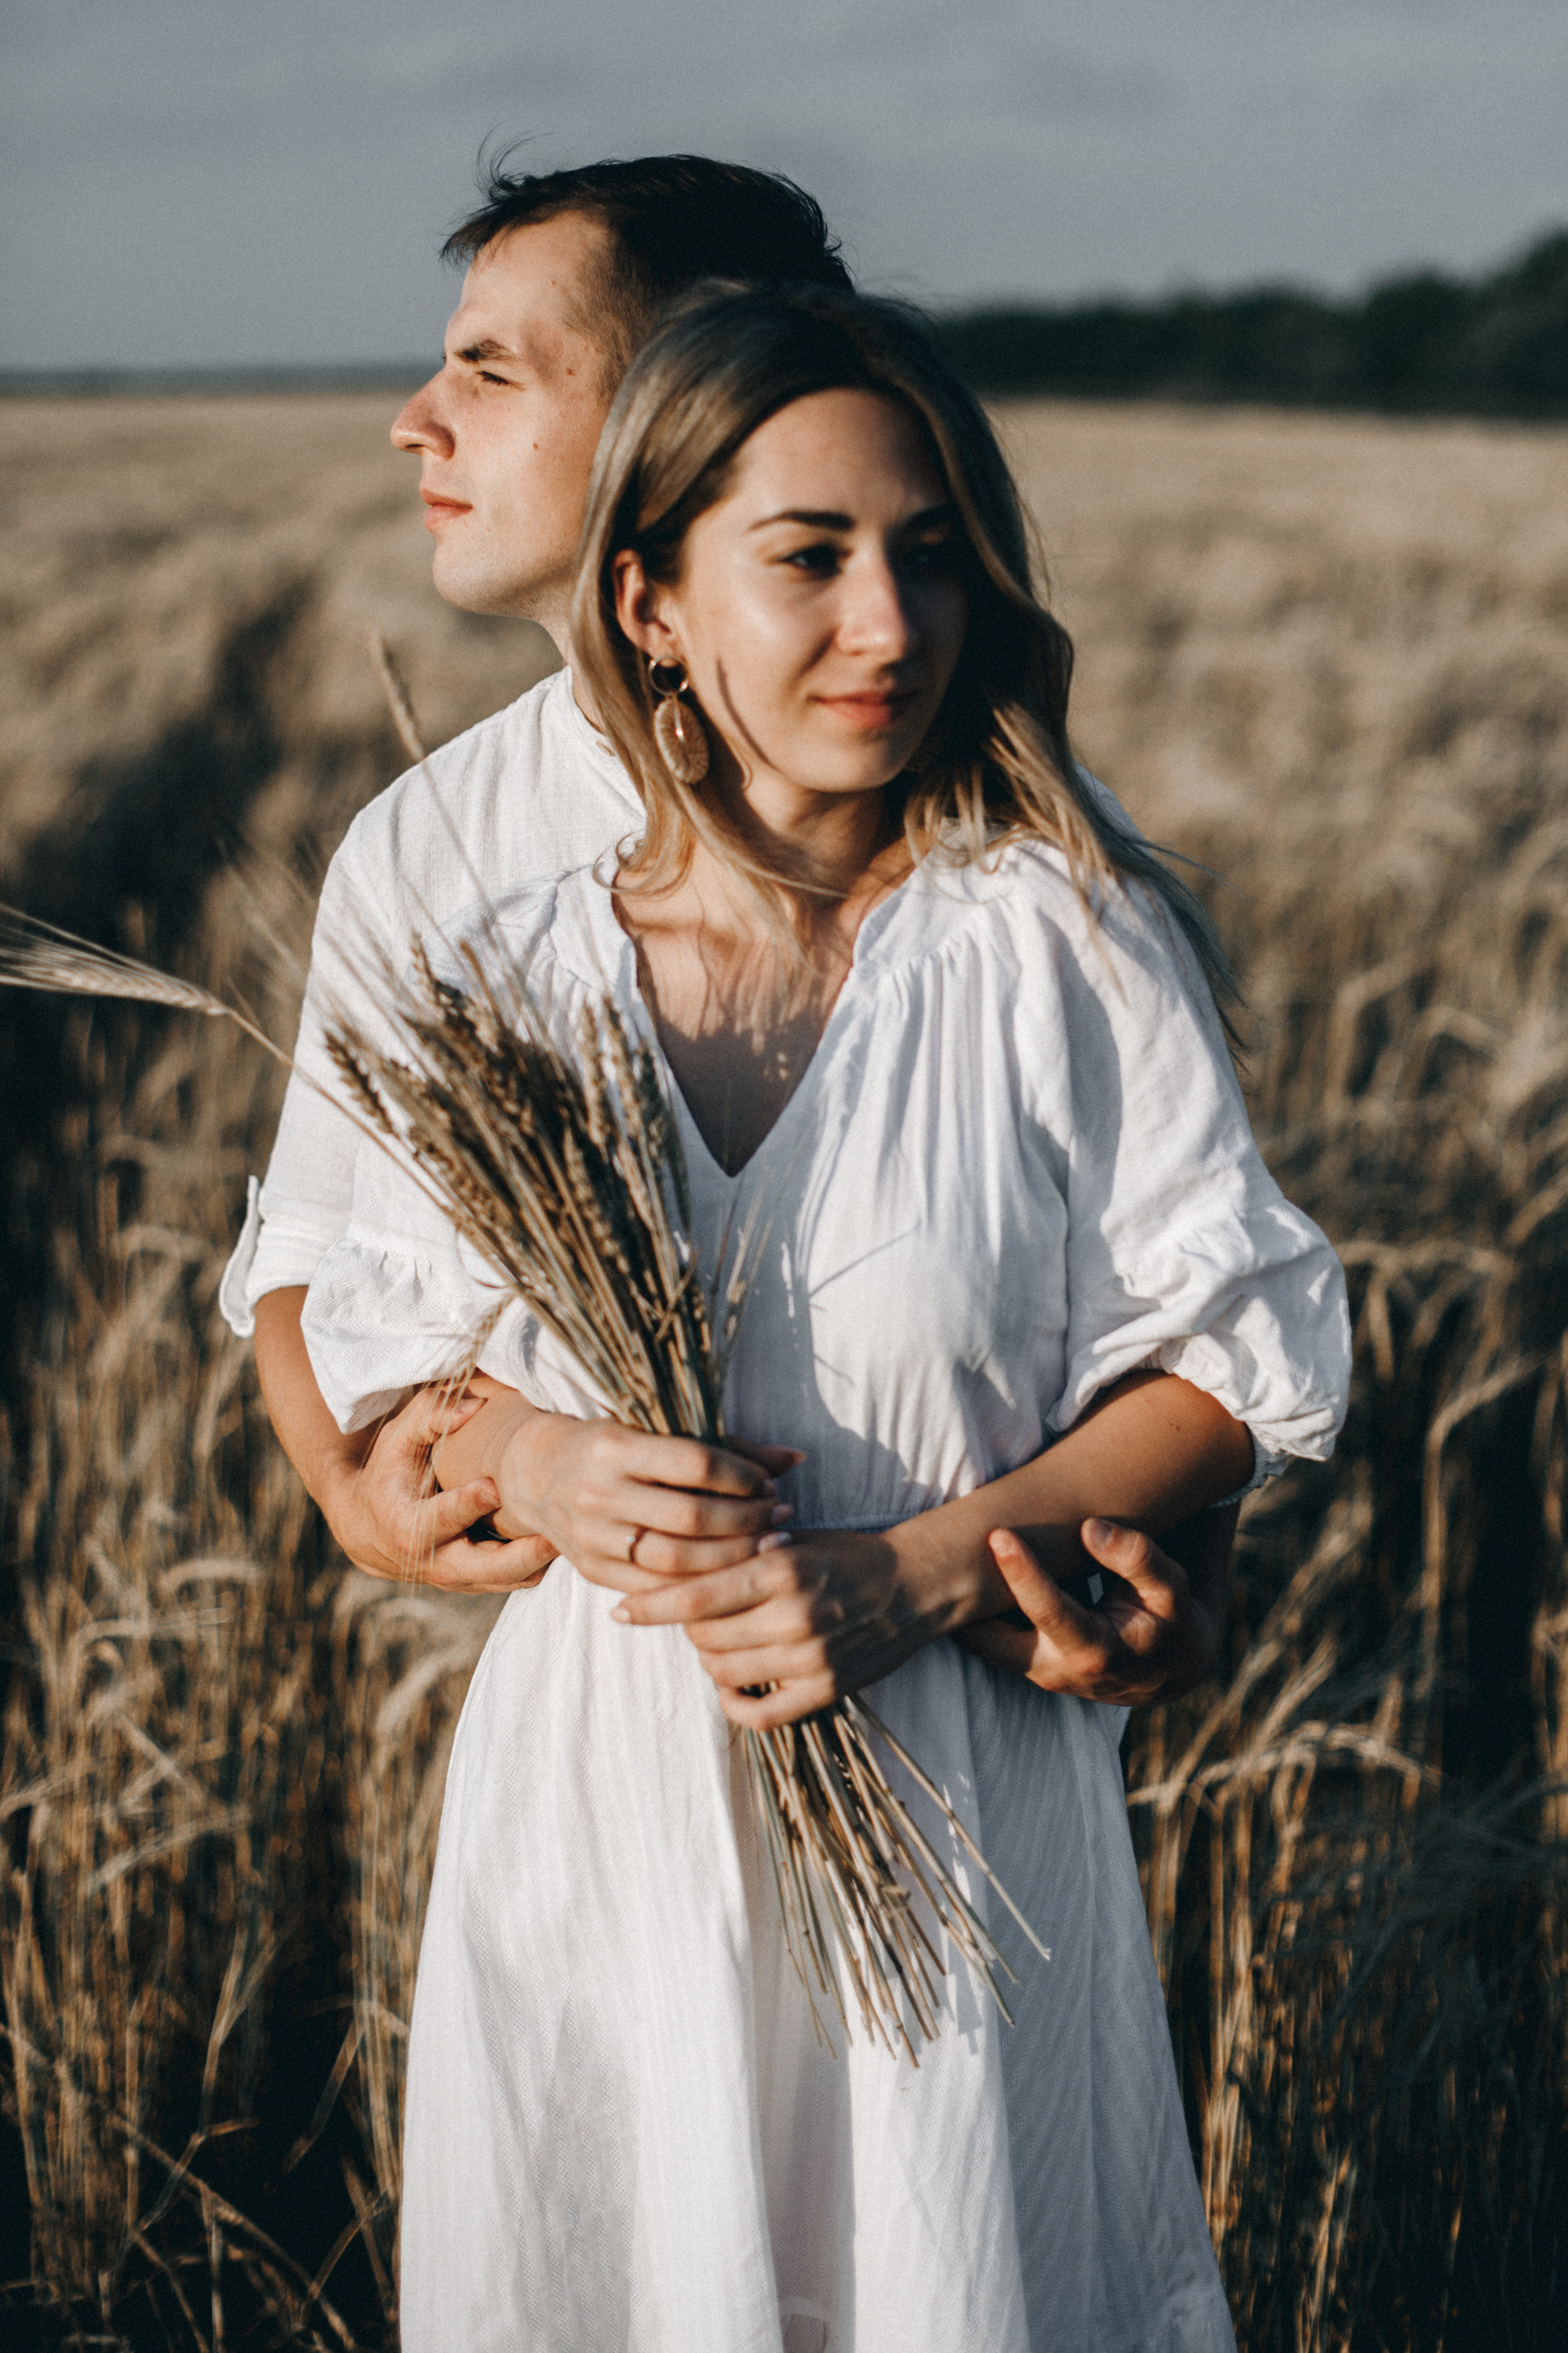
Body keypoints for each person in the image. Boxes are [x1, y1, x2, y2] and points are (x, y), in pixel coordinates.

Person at [300, 284, 1350, 2350]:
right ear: (653, 599)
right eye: (808, 557)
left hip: (955, 1824)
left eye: (931, 548)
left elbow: (1231, 1360)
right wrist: (536, 1456)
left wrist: (917, 1570)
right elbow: (381, 1377)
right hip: (601, 1823)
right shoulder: (495, 962)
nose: (889, 621)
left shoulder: (1064, 933)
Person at [222, 150, 1233, 1710]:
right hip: (616, 1705)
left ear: (680, 400)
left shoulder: (1025, 872)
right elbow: (309, 1248)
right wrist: (359, 1484)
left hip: (951, 1725)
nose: (416, 421)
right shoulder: (437, 845)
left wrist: (1158, 1577)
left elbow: (1161, 1303)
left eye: (490, 373)